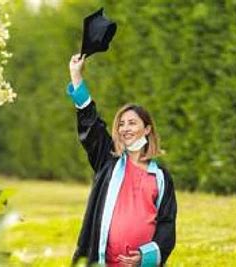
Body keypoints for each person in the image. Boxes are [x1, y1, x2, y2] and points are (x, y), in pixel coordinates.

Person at [67, 54, 177, 267]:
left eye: (132, 123)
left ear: (147, 129)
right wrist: (76, 76)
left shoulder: (161, 176)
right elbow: (91, 125)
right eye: (121, 124)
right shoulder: (108, 161)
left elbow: (166, 224)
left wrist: (145, 258)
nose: (125, 128)